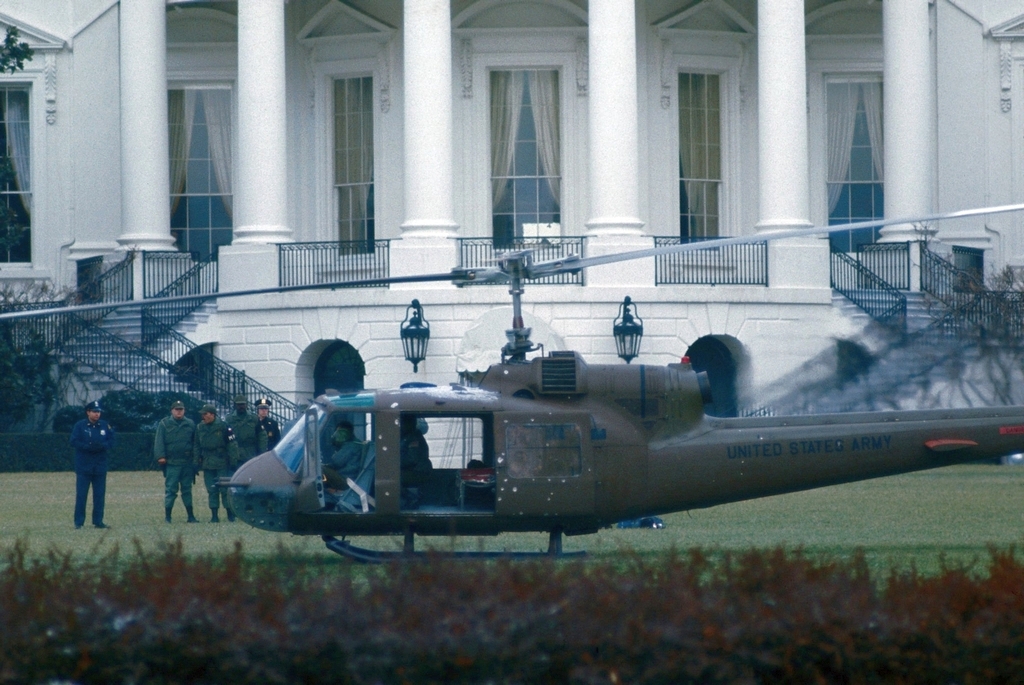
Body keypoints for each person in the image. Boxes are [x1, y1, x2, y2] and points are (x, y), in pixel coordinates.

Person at [70, 400, 115, 529]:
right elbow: (73, 441)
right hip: (84, 466)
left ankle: (98, 521)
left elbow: (112, 441)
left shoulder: (105, 426)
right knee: (81, 495)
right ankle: (79, 522)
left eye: (99, 412)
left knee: (99, 495)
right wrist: (87, 447)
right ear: (88, 412)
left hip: (100, 466)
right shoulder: (80, 426)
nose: (97, 414)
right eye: (95, 412)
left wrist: (102, 446)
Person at [154, 400, 198, 523]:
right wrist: (160, 456)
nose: (179, 412)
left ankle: (191, 516)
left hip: (186, 462)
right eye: (176, 409)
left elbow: (195, 443)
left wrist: (195, 459)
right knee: (171, 490)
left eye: (181, 409)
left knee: (187, 489)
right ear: (171, 411)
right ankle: (168, 516)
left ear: (184, 410)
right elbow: (159, 442)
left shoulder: (190, 424)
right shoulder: (164, 424)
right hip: (172, 463)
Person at [193, 404, 239, 522]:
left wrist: (233, 461)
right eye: (202, 414)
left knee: (224, 488)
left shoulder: (223, 426)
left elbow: (232, 445)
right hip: (207, 462)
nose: (203, 417)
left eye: (205, 414)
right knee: (211, 489)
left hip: (221, 461)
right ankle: (214, 515)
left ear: (212, 414)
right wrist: (195, 462)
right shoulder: (200, 428)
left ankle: (230, 513)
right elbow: (197, 445)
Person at [226, 394, 267, 468]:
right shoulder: (229, 419)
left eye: (243, 404)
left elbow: (262, 436)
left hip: (250, 453)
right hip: (235, 453)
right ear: (235, 405)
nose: (241, 406)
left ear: (246, 405)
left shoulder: (253, 418)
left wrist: (262, 452)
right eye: (239, 405)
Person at [324, 419, 363, 488]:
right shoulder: (355, 443)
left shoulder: (351, 446)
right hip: (350, 478)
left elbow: (336, 462)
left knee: (320, 469)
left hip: (347, 480)